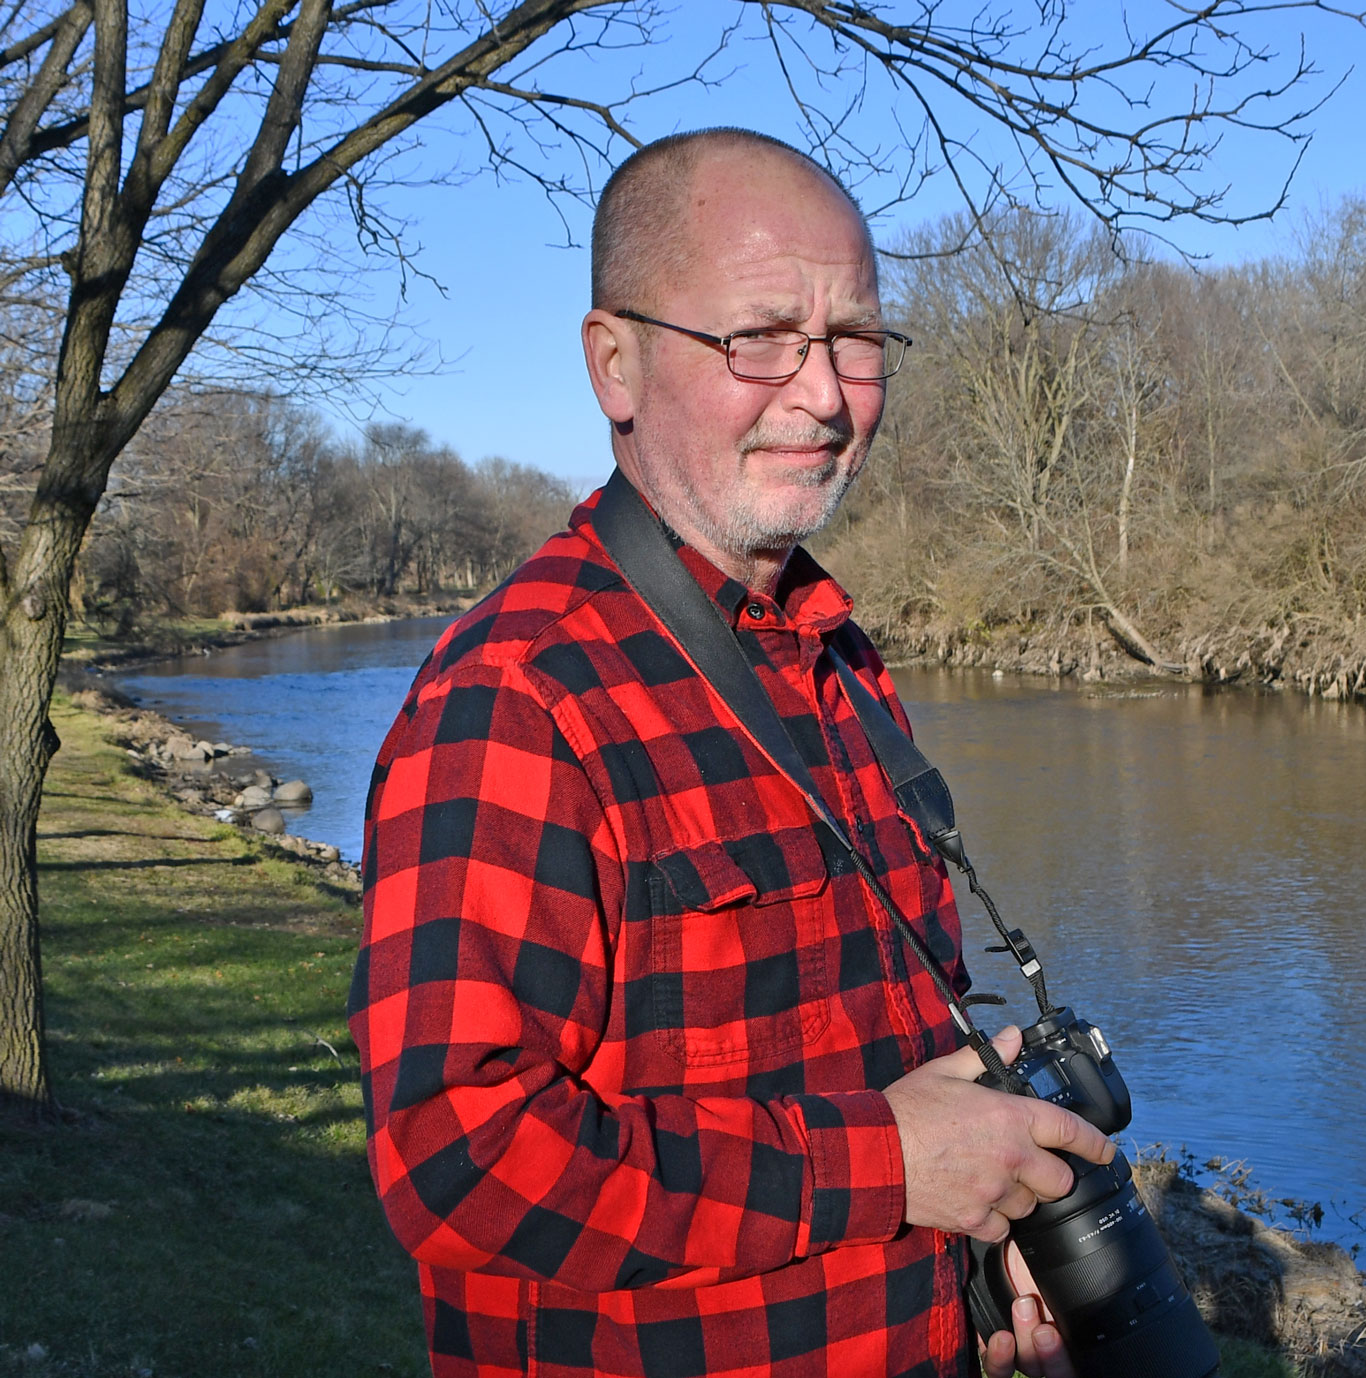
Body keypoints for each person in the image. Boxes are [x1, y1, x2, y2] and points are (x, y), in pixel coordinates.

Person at [347, 127, 1113, 1378]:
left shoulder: (832, 660)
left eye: (855, 337)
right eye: (757, 336)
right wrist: (894, 1165)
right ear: (616, 365)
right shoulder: (522, 697)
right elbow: (457, 1162)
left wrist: (991, 1213)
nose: (820, 393)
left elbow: (883, 1035)